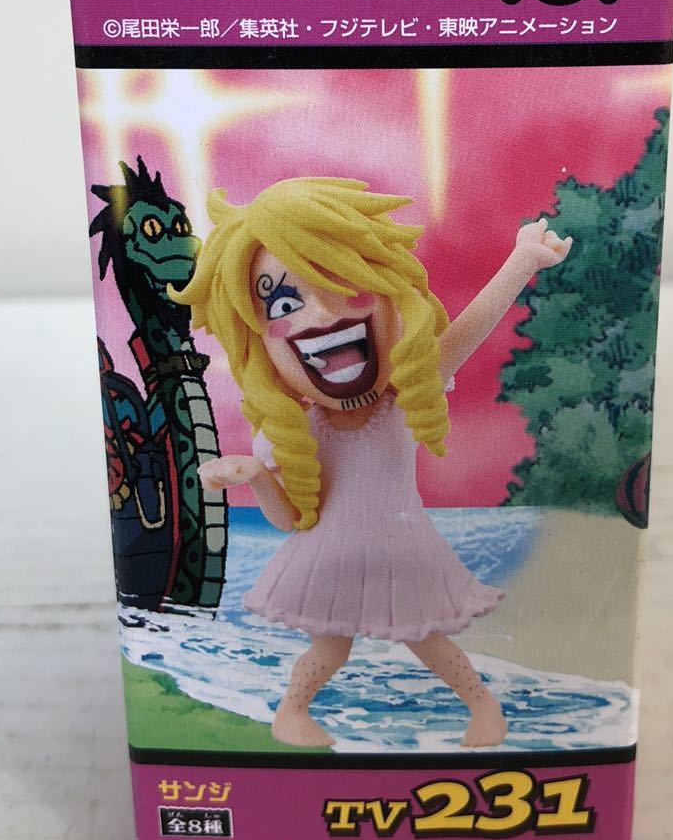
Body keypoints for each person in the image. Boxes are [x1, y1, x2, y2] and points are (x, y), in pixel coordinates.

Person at [173, 177, 571, 747]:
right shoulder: (293, 433)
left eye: (342, 282)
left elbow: (468, 331)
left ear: (388, 291)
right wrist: (255, 476)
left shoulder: (404, 399)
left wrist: (522, 261)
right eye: (284, 304)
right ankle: (291, 713)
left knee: (430, 642)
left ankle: (483, 707)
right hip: (328, 561)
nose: (320, 315)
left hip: (403, 554)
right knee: (328, 650)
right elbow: (291, 520)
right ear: (260, 345)